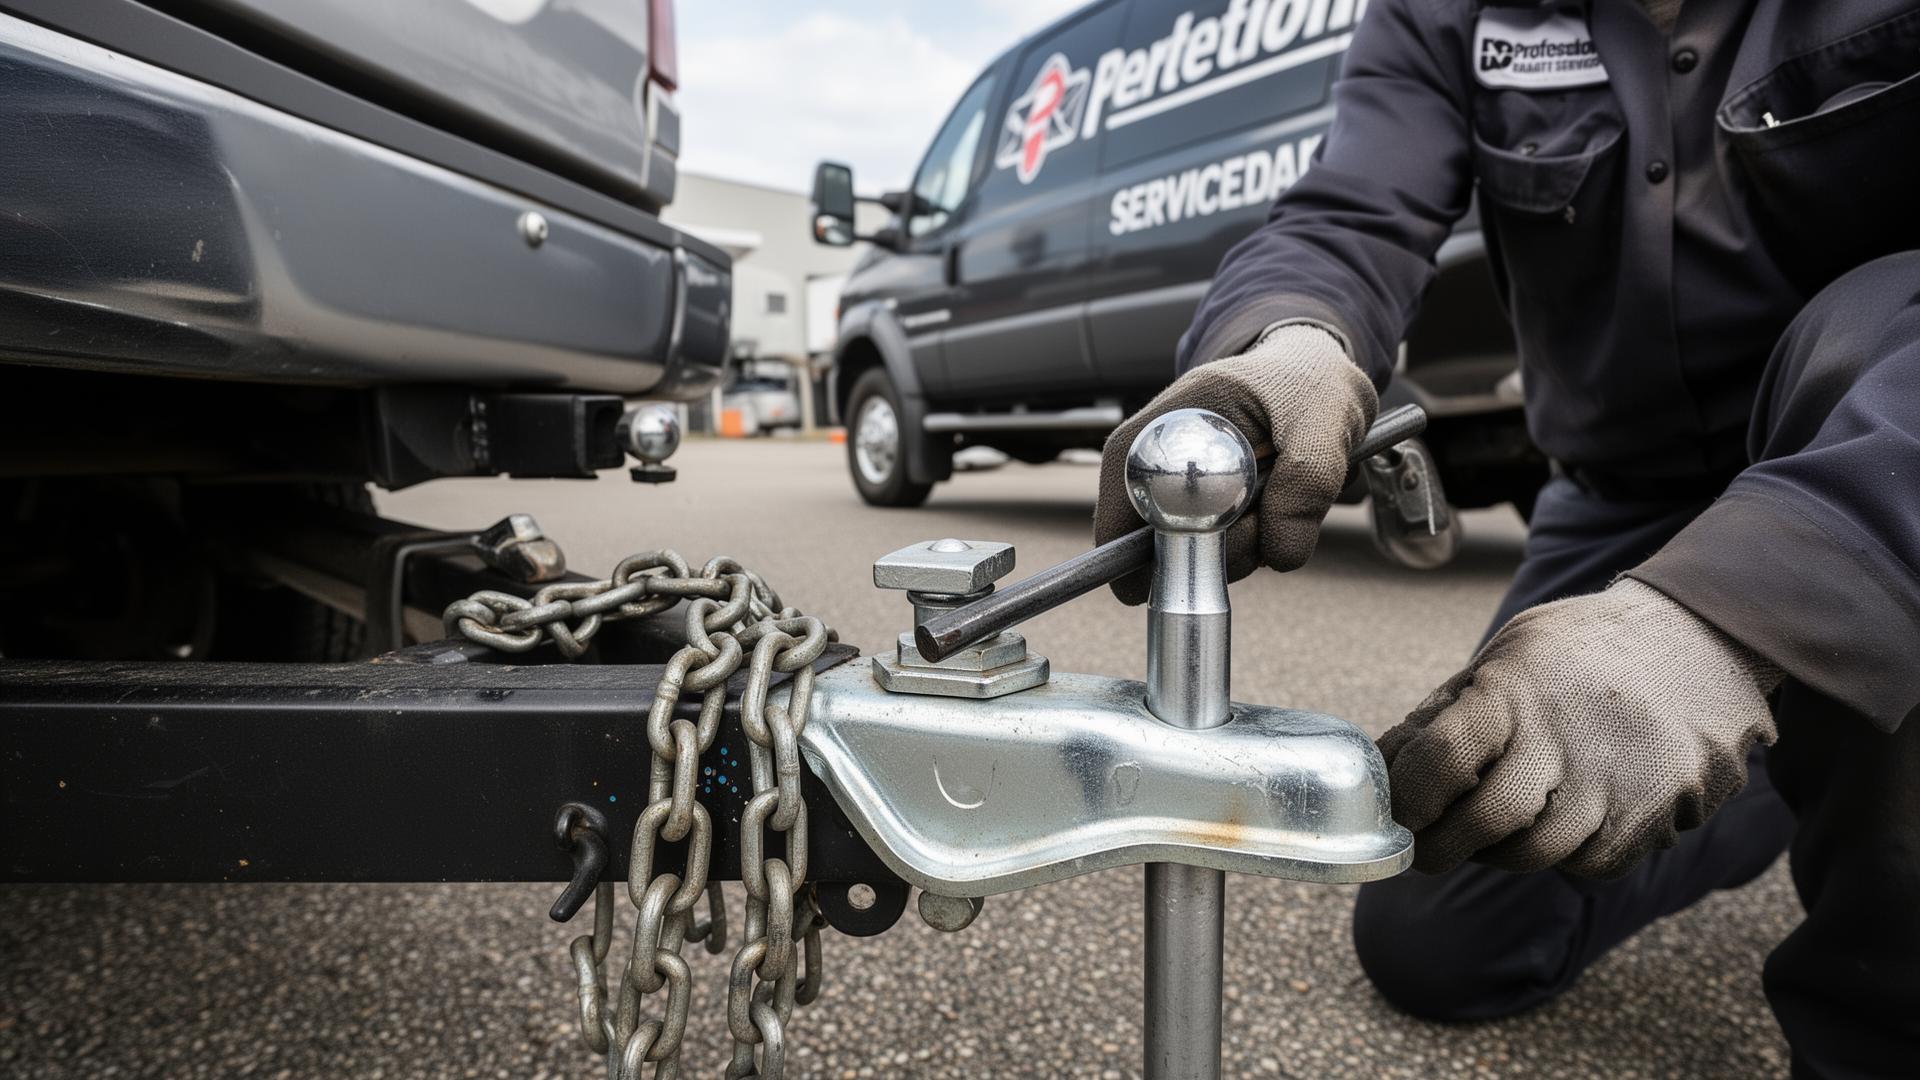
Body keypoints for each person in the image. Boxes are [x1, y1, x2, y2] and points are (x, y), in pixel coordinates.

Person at [1091, 1, 1920, 1075]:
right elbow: (1352, 215)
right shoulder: (1444, 15)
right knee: (1439, 939)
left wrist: (1725, 620)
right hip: (1623, 499)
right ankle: (1767, 766)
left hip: (1873, 463)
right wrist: (1291, 338)